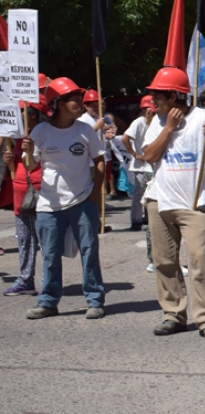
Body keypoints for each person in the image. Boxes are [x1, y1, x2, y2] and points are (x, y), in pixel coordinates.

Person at [142, 67, 205, 341]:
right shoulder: (157, 120)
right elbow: (150, 156)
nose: (154, 99)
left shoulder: (204, 118)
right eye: (153, 93)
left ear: (176, 95)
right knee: (164, 261)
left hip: (193, 204)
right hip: (159, 201)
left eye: (159, 94)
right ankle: (173, 314)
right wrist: (168, 128)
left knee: (199, 259)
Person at [22, 77, 106, 319]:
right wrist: (27, 153)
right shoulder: (40, 132)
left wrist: (95, 195)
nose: (81, 104)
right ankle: (48, 302)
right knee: (49, 255)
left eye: (81, 100)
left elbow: (99, 161)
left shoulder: (85, 130)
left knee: (89, 252)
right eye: (75, 100)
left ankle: (95, 300)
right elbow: (31, 166)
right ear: (59, 103)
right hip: (48, 205)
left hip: (82, 202)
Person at [3, 101, 46, 296]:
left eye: (27, 113)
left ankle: (48, 281)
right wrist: (8, 161)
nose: (23, 118)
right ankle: (25, 280)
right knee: (25, 241)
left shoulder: (45, 134)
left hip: (42, 193)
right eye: (20, 114)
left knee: (46, 243)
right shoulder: (14, 139)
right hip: (21, 194)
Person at [122, 96, 156, 232]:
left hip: (152, 164)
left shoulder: (156, 121)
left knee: (151, 193)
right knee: (139, 193)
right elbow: (125, 138)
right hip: (141, 166)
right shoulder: (139, 122)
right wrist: (135, 154)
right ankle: (136, 220)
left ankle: (148, 218)